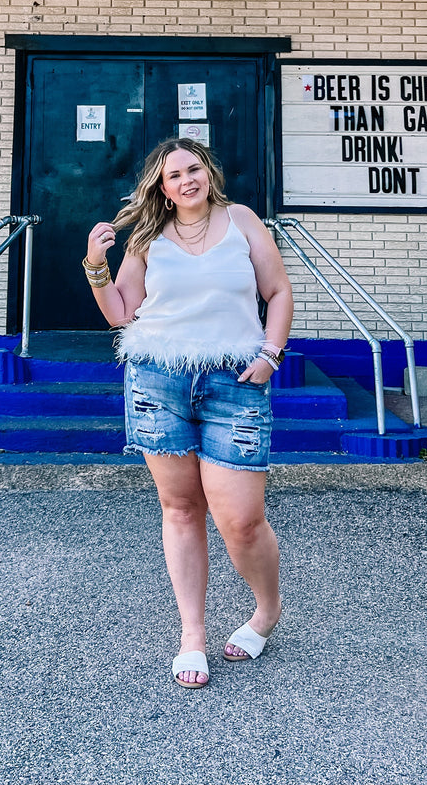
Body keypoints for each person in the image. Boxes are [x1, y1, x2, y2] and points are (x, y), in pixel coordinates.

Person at [83, 137, 294, 689]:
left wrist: (272, 354)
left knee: (241, 522)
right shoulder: (149, 237)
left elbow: (277, 290)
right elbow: (120, 314)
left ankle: (266, 610)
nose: (185, 180)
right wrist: (95, 264)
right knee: (180, 509)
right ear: (162, 186)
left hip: (235, 379)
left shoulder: (243, 220)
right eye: (173, 175)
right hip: (158, 378)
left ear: (209, 172)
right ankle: (191, 636)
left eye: (193, 169)